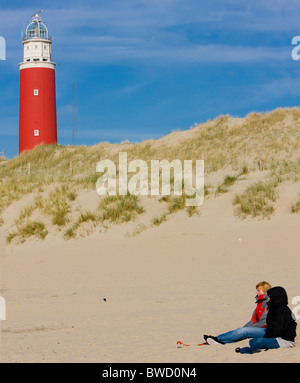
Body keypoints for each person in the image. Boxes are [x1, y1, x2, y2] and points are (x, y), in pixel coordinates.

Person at [203, 281, 272, 345]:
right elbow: (253, 320)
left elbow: (264, 321)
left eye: (259, 291)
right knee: (241, 330)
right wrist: (245, 328)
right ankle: (220, 340)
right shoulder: (260, 303)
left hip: (266, 330)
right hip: (259, 328)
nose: (257, 293)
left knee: (243, 331)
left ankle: (218, 339)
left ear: (265, 291)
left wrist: (249, 328)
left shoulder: (268, 303)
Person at [236, 286, 297, 354]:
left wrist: (266, 338)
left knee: (257, 342)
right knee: (253, 341)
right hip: (275, 337)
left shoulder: (283, 310)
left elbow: (277, 330)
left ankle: (248, 350)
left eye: (269, 296)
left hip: (285, 341)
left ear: (276, 297)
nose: (268, 299)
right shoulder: (273, 309)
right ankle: (257, 348)